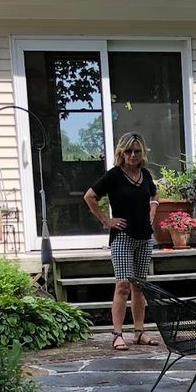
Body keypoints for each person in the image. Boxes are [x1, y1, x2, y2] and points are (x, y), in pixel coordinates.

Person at [83, 132, 158, 350]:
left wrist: (153, 209)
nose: (133, 155)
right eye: (128, 151)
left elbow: (154, 196)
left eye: (137, 151)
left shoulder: (145, 175)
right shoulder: (114, 176)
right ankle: (117, 334)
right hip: (123, 237)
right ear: (121, 153)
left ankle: (139, 331)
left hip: (144, 236)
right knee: (123, 285)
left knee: (139, 286)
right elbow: (89, 196)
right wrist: (106, 220)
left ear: (142, 152)